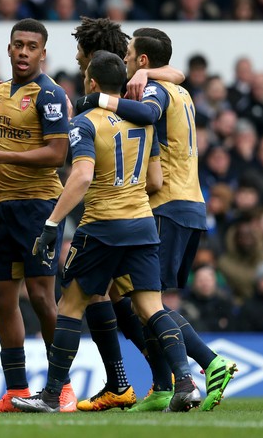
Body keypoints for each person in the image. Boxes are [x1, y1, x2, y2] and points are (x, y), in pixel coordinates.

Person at [11, 50, 201, 414]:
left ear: (93, 83)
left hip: (101, 227)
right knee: (151, 306)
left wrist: (53, 223)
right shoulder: (144, 123)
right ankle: (186, 383)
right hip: (143, 225)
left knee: (71, 305)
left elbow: (81, 176)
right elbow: (156, 180)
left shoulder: (84, 123)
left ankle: (52, 395)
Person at [85, 27, 237, 412]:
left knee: (148, 300)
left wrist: (98, 99)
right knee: (141, 297)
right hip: (189, 204)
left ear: (143, 60)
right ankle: (162, 386)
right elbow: (172, 79)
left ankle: (207, 364)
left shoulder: (156, 91)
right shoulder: (180, 89)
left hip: (166, 204)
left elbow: (149, 112)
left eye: (131, 53)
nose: (128, 59)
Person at [0, 18, 76, 413]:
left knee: (41, 296)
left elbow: (58, 155)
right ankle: (15, 389)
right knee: (2, 297)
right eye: (17, 44)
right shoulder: (0, 91)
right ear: (8, 49)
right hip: (4, 206)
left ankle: (63, 386)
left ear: (43, 53)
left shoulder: (51, 95)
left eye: (31, 46)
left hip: (40, 207)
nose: (23, 52)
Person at [69, 16, 186, 412]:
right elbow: (177, 71)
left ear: (92, 62)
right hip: (136, 211)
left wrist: (95, 101)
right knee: (123, 297)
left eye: (80, 54)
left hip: (129, 211)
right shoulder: (132, 79)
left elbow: (173, 76)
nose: (77, 59)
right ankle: (150, 380)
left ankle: (172, 374)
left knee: (132, 301)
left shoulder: (131, 83)